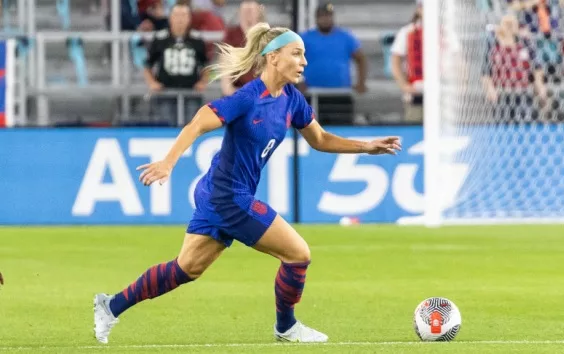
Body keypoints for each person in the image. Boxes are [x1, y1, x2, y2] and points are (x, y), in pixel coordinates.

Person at [93, 22, 401, 344]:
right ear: (273, 58)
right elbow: (199, 121)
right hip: (228, 195)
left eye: (303, 55)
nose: (304, 62)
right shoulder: (249, 97)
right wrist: (169, 162)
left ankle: (110, 306)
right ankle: (286, 327)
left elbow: (320, 138)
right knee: (298, 254)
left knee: (186, 269)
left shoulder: (291, 99)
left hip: (217, 193)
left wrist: (365, 147)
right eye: (296, 54)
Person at [220, 0, 264, 96]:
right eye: (245, 11)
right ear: (239, 12)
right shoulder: (231, 35)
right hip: (236, 93)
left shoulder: (266, 35)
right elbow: (225, 69)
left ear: (258, 11)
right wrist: (230, 90)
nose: (248, 14)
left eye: (251, 10)